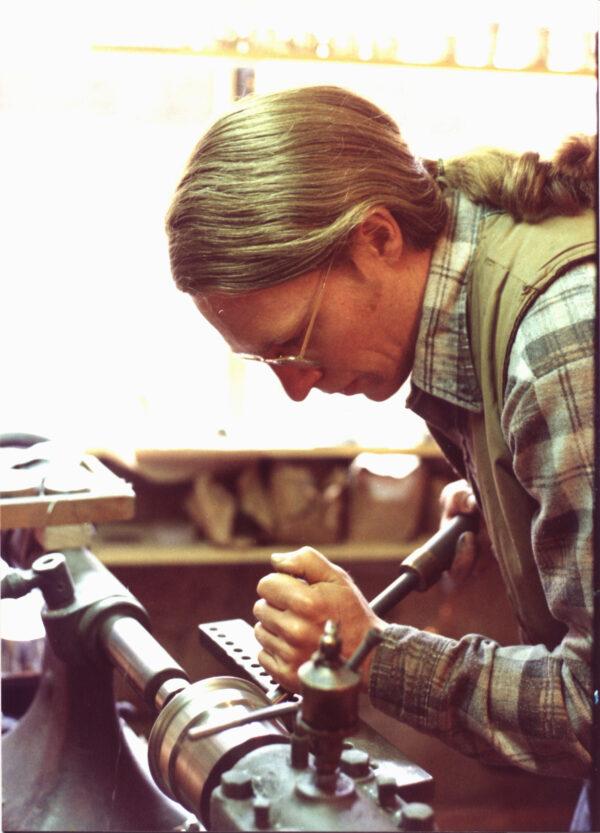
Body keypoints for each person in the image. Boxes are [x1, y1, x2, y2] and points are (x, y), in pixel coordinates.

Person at [165, 86, 595, 823]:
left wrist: (371, 653)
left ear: (378, 238)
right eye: (266, 361)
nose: (297, 388)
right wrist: (511, 497)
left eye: (294, 343)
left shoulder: (561, 344)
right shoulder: (475, 278)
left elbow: (591, 706)